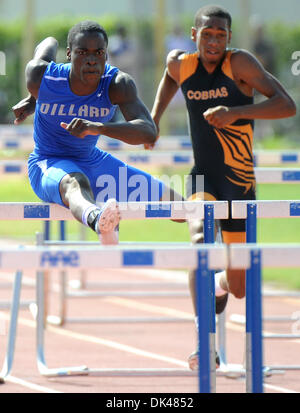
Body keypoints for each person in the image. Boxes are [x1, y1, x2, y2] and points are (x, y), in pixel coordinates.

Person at [145, 5, 296, 370]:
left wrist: (236, 112)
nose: (213, 40)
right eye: (207, 33)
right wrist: (155, 117)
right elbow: (169, 78)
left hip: (240, 185)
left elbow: (286, 105)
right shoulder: (181, 64)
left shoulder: (239, 64)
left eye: (221, 35)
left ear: (229, 39)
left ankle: (218, 285)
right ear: (194, 35)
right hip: (203, 177)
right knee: (201, 243)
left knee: (239, 287)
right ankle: (203, 341)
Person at [12, 21, 184, 245]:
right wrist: (35, 97)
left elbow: (148, 131)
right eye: (82, 52)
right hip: (48, 162)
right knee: (74, 182)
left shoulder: (116, 84)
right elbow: (49, 42)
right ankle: (99, 222)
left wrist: (97, 127)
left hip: (91, 160)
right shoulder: (43, 77)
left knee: (181, 208)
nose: (91, 60)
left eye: (98, 52)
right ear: (69, 54)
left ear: (106, 55)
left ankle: (224, 264)